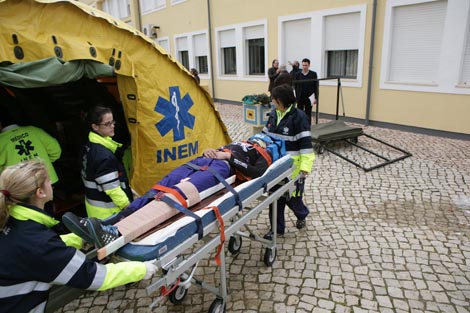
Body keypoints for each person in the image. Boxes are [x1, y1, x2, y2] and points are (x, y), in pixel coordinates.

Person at [62, 133, 284, 248]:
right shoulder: (242, 142)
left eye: (262, 140)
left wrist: (229, 157)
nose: (257, 140)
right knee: (158, 189)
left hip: (222, 169)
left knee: (174, 195)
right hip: (203, 160)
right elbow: (224, 149)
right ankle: (107, 223)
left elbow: (256, 174)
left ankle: (117, 233)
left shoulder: (263, 156)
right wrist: (215, 150)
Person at [0, 160, 157, 313]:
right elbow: (94, 276)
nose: (52, 184)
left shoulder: (12, 221)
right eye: (48, 181)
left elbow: (36, 251)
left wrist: (80, 239)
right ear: (40, 192)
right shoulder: (38, 243)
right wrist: (142, 269)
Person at [263, 84, 315, 239]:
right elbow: (266, 135)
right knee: (275, 198)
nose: (272, 101)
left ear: (282, 100)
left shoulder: (299, 117)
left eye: (274, 99)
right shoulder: (273, 114)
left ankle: (302, 214)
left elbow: (306, 146)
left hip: (293, 170)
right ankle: (277, 229)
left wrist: (304, 169)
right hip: (275, 166)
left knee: (293, 200)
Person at [81, 106, 133, 219]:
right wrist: (129, 207)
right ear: (95, 127)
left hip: (95, 208)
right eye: (107, 124)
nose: (112, 126)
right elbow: (112, 189)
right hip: (110, 213)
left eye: (113, 122)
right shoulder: (103, 156)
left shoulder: (89, 146)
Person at [0, 116, 61, 184]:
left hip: (20, 187)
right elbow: (55, 150)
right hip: (47, 181)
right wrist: (45, 162)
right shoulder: (34, 130)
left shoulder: (1, 141)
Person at [293, 58, 319, 125]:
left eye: (306, 65)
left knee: (308, 113)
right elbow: (294, 86)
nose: (304, 67)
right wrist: (295, 96)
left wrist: (316, 98)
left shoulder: (313, 74)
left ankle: (308, 126)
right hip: (300, 97)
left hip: (309, 97)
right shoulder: (297, 74)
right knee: (299, 113)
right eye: (303, 65)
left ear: (309, 65)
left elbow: (316, 86)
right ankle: (299, 126)